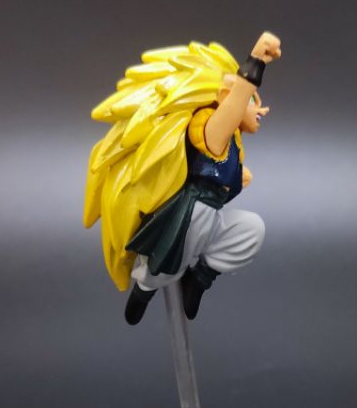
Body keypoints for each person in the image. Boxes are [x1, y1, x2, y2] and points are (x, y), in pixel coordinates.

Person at [84, 32, 281, 324]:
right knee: (167, 267)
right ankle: (144, 289)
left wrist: (236, 180)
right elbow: (235, 103)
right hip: (193, 216)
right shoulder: (212, 130)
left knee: (251, 230)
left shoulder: (232, 147)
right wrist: (256, 62)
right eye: (253, 100)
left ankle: (197, 281)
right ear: (226, 98)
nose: (261, 108)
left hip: (211, 216)